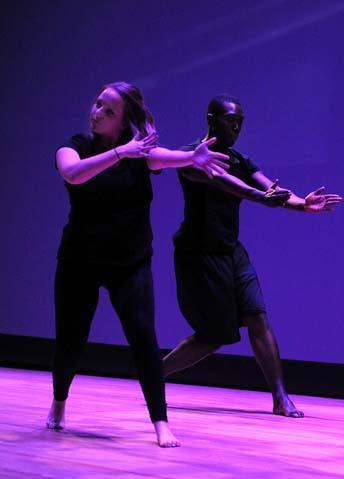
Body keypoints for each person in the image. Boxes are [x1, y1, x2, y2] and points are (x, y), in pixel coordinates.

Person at [49, 82, 228, 447]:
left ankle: (161, 422)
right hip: (79, 262)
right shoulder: (75, 147)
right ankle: (59, 402)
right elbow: (73, 173)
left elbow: (165, 157)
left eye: (108, 110)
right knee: (71, 341)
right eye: (97, 104)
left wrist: (193, 158)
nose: (97, 112)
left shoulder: (141, 155)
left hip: (129, 264)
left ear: (123, 121)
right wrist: (121, 152)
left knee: (144, 339)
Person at [163, 94, 342, 418]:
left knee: (257, 317)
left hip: (232, 251)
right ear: (211, 120)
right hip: (199, 253)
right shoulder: (188, 157)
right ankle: (154, 375)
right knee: (214, 337)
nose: (235, 128)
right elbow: (226, 183)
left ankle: (280, 398)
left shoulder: (239, 159)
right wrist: (261, 196)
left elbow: (267, 186)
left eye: (240, 124)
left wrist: (301, 203)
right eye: (230, 122)